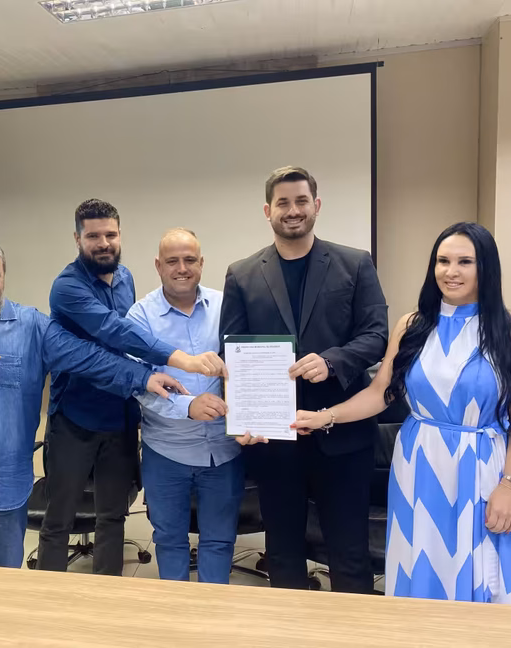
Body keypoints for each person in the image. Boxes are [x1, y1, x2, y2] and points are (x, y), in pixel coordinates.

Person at [0, 237, 185, 568]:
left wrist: (143, 377)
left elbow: (87, 358)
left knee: (5, 590)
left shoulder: (32, 327)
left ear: (3, 278)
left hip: (3, 492)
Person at [292, 222, 511, 604]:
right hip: (420, 466)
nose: (451, 271)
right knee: (422, 568)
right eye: (443, 261)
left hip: (485, 469)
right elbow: (381, 393)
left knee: (485, 578)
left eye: (465, 262)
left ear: (486, 267)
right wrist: (325, 416)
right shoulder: (412, 325)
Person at [220, 166, 388, 592]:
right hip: (274, 438)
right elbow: (232, 353)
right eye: (282, 203)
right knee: (282, 551)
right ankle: (290, 625)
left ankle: (352, 626)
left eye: (301, 201)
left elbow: (376, 335)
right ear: (267, 211)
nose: (292, 210)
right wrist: (243, 419)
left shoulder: (355, 263)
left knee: (349, 551)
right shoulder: (242, 274)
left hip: (342, 436)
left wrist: (333, 361)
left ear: (316, 205)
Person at [37, 199, 226, 576]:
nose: (103, 243)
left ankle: (109, 594)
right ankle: (50, 598)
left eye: (110, 234)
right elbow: (116, 332)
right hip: (75, 419)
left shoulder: (124, 278)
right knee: (59, 518)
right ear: (77, 239)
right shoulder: (67, 287)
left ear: (120, 235)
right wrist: (182, 360)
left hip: (120, 417)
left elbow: (129, 347)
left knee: (113, 515)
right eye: (93, 236)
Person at [127, 228, 244, 584]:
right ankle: (176, 613)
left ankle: (213, 613)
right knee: (169, 541)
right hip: (167, 452)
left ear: (202, 263)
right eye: (172, 261)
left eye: (190, 260)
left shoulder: (226, 306)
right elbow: (138, 382)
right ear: (158, 266)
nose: (182, 268)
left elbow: (247, 365)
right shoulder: (140, 317)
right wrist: (187, 406)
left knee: (220, 541)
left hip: (223, 452)